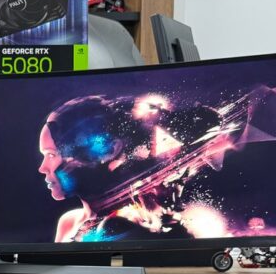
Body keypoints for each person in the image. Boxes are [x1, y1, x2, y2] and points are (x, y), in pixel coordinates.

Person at [38, 94, 228, 242]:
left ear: (106, 151)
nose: (42, 168)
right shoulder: (70, 221)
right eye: (44, 155)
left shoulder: (127, 223)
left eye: (51, 155)